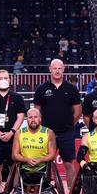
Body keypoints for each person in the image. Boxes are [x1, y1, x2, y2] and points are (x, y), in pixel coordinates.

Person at [33, 59, 81, 187]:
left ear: (63, 69)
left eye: (60, 68)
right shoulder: (41, 89)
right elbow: (36, 112)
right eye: (54, 68)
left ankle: (71, 191)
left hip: (66, 133)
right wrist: (43, 129)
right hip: (47, 134)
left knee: (68, 163)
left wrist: (70, 124)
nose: (57, 71)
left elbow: (77, 112)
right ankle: (46, 190)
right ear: (50, 69)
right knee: (46, 163)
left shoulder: (71, 89)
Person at [12, 108, 57, 193]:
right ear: (26, 119)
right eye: (30, 117)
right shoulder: (19, 133)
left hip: (42, 168)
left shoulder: (48, 132)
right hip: (24, 169)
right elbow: (14, 155)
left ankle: (38, 188)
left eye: (35, 117)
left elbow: (52, 155)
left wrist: (40, 160)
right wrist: (27, 160)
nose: (33, 120)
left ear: (40, 118)